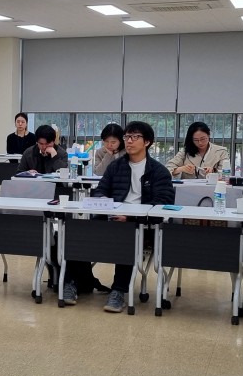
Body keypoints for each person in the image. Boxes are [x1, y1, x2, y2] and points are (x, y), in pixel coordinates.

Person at [63, 121, 174, 313]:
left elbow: (162, 205)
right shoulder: (116, 167)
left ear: (147, 142)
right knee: (77, 231)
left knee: (126, 234)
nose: (129, 141)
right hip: (112, 218)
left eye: (135, 137)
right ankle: (73, 282)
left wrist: (130, 218)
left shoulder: (158, 171)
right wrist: (104, 204)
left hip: (141, 224)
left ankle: (119, 290)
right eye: (127, 137)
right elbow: (100, 190)